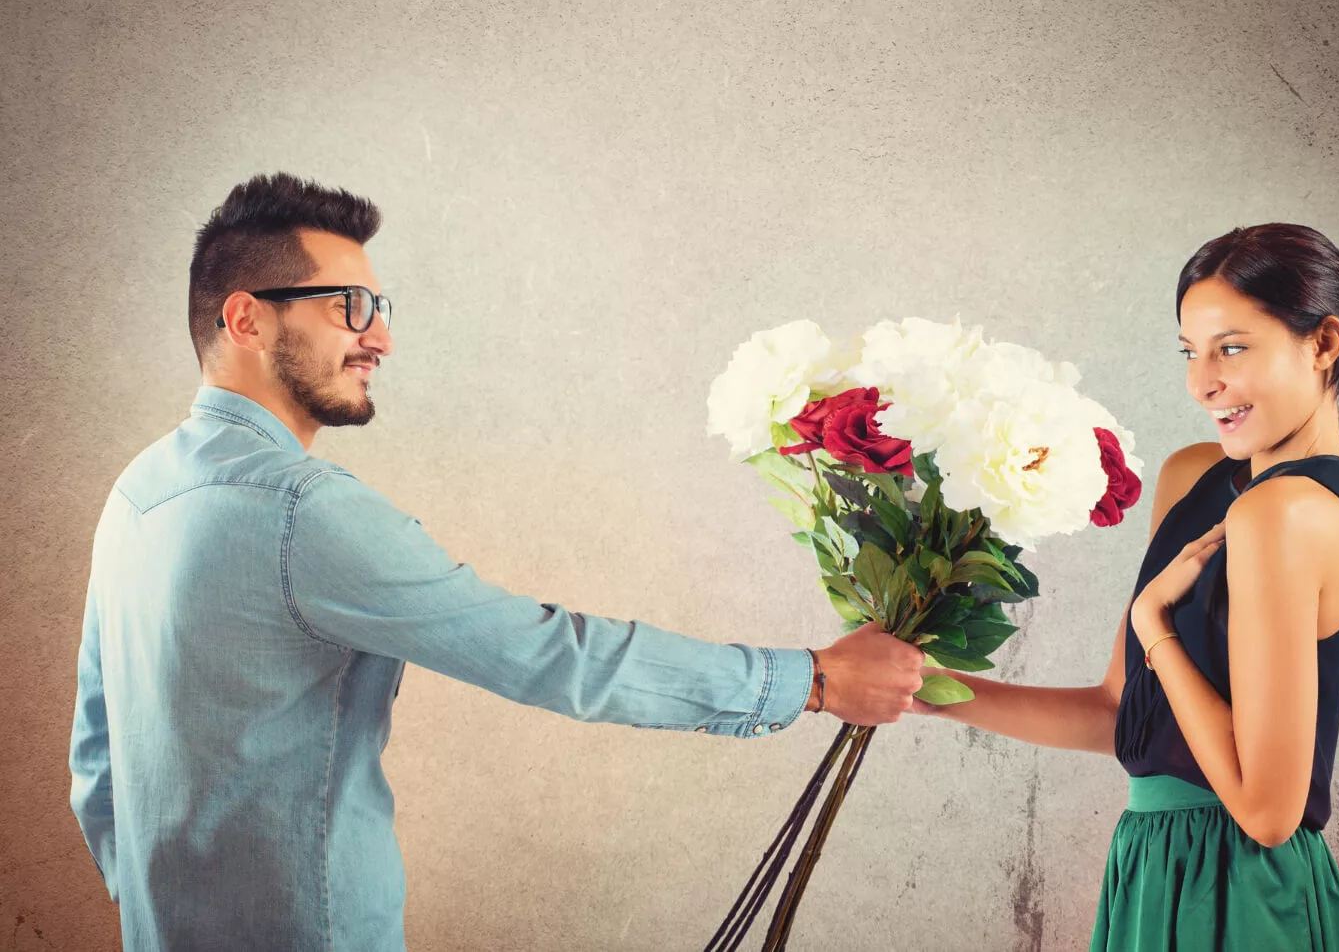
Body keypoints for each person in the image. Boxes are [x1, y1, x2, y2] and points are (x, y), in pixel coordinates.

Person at [66, 171, 927, 951]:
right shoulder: (302, 509)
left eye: (381, 307)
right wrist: (810, 679)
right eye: (348, 308)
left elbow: (96, 766)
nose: (381, 340)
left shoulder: (136, 493)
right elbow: (547, 653)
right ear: (246, 317)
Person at [912, 223, 1339, 949]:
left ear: (1324, 343)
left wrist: (1157, 627)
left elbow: (1268, 812)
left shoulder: (1288, 511)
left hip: (1241, 889)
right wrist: (931, 690)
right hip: (1151, 866)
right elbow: (1120, 712)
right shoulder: (1194, 476)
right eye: (1190, 351)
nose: (1202, 381)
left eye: (1231, 347)